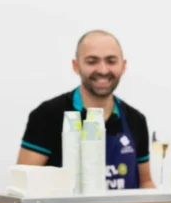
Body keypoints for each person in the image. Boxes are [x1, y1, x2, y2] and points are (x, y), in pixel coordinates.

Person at [17, 30, 155, 189]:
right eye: (92, 61)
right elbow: (23, 187)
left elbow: (145, 182)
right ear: (76, 66)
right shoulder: (47, 115)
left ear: (123, 66)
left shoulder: (135, 119)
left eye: (111, 61)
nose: (103, 70)